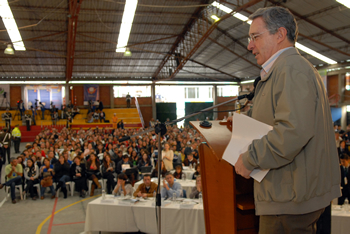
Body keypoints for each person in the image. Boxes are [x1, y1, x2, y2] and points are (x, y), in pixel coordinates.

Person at [233, 7, 341, 233]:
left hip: (289, 199)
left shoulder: (291, 68)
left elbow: (291, 132)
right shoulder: (281, 71)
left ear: (280, 35)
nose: (249, 45)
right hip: (286, 194)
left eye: (255, 37)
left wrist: (250, 158)